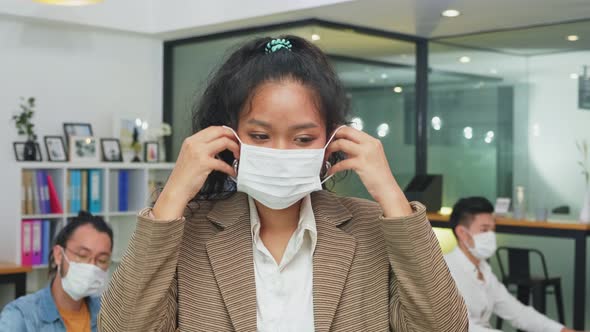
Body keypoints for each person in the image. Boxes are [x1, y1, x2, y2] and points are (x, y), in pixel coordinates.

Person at [98, 35, 468, 332]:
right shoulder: (188, 231)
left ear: (331, 141)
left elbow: (445, 327)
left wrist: (392, 196)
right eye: (259, 135)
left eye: (303, 139)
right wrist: (173, 196)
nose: (280, 151)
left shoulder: (372, 228)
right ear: (228, 137)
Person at [445, 197, 580, 332]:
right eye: (484, 230)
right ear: (462, 233)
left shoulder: (484, 271)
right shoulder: (444, 271)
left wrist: (562, 330)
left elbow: (519, 313)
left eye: (493, 229)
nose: (491, 236)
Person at [0, 212, 113, 332]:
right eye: (82, 255)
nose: (91, 267)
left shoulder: (111, 314)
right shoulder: (20, 317)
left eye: (102, 260)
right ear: (59, 255)